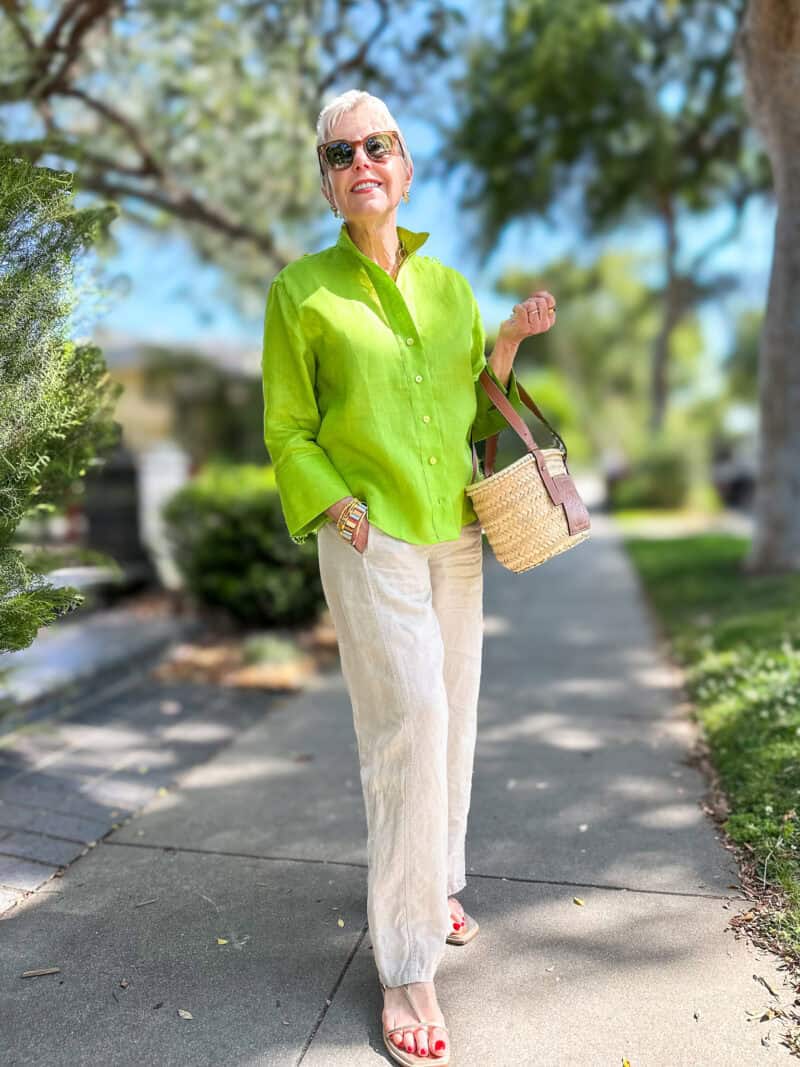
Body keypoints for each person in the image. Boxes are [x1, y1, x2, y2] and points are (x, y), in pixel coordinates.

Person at [261, 88, 556, 1065]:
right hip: (369, 537)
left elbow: (479, 400)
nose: (359, 162)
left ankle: (437, 883)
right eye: (338, 153)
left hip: (455, 534)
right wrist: (341, 513)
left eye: (375, 144)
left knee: (456, 712)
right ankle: (404, 959)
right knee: (408, 726)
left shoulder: (451, 289)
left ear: (405, 164)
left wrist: (508, 342)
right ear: (326, 181)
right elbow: (287, 431)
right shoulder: (299, 292)